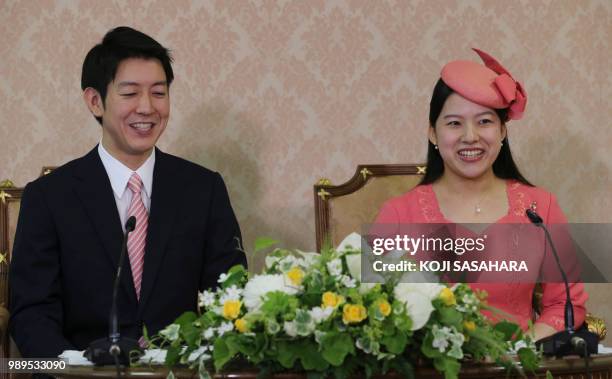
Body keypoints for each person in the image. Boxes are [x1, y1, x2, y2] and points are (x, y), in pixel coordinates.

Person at [9, 26, 247, 358]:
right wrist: (72, 364)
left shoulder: (202, 190)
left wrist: (198, 356)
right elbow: (31, 312)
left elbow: (230, 296)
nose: (147, 108)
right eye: (130, 93)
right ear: (95, 101)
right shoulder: (50, 197)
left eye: (159, 93)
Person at [374, 48, 587, 340]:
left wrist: (516, 353)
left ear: (502, 131)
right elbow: (376, 313)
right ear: (433, 134)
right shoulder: (397, 215)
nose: (470, 136)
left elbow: (565, 306)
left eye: (484, 121)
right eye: (454, 123)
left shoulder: (540, 207)